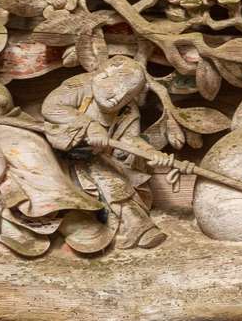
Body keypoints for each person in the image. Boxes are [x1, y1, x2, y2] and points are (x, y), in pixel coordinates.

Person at [41, 55, 190, 249]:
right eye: (116, 87)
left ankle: (135, 226)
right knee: (104, 175)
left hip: (95, 160)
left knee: (111, 175)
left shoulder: (127, 110)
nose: (118, 98)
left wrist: (150, 153)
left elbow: (129, 140)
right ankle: (135, 225)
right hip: (58, 157)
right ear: (103, 75)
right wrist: (90, 126)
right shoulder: (79, 86)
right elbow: (51, 107)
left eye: (127, 95)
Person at [0, 78, 106, 256]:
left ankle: (17, 234)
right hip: (58, 188)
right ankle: (78, 225)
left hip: (28, 191)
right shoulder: (22, 122)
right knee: (70, 217)